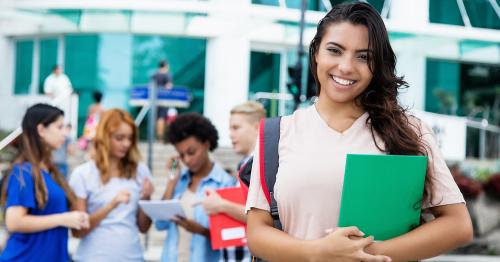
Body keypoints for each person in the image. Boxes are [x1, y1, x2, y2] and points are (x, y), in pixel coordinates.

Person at [245, 2, 473, 262]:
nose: (346, 67)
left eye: (363, 56)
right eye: (335, 50)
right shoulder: (277, 133)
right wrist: (319, 253)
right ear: (316, 52)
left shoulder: (408, 131)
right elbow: (257, 232)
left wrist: (362, 254)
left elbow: (457, 225)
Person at [0, 103, 89, 261]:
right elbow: (14, 221)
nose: (65, 134)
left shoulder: (50, 171)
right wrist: (63, 218)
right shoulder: (23, 172)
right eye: (59, 127)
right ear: (41, 130)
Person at [69, 109, 154, 261]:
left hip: (133, 257)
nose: (126, 144)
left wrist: (147, 198)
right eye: (119, 138)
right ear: (105, 137)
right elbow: (78, 231)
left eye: (130, 138)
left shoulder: (141, 171)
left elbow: (144, 227)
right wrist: (111, 205)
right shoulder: (82, 174)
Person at [155, 113, 236, 262]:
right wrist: (171, 183)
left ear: (206, 143)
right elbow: (160, 224)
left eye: (191, 152)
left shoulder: (225, 183)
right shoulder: (180, 181)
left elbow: (230, 238)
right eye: (181, 155)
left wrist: (201, 231)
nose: (187, 160)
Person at [199, 101, 266, 262]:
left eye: (236, 128)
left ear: (257, 127)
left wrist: (221, 205)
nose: (230, 134)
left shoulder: (262, 165)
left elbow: (264, 218)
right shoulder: (246, 164)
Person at [152, 60, 174, 142]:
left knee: (157, 118)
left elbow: (150, 86)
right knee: (162, 118)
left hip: (154, 99)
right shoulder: (167, 75)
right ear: (165, 66)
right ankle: (162, 138)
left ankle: (158, 137)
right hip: (164, 100)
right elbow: (169, 86)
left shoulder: (154, 75)